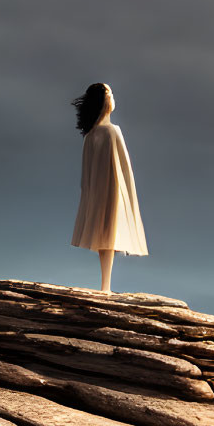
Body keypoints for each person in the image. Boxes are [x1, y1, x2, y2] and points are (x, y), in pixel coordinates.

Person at [70, 81, 147, 292]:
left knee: (106, 239)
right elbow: (121, 169)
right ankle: (106, 287)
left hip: (98, 192)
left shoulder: (91, 135)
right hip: (111, 191)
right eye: (109, 93)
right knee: (108, 238)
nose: (113, 97)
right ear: (103, 101)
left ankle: (106, 286)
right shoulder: (110, 132)